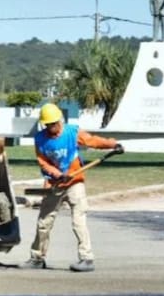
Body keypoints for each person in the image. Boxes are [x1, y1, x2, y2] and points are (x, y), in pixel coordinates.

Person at [20, 103, 123, 273]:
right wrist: (57, 175)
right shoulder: (40, 139)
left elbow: (93, 141)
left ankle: (86, 258)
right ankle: (37, 258)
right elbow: (43, 163)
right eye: (47, 124)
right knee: (44, 222)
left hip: (75, 182)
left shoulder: (72, 132)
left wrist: (112, 144)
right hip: (55, 184)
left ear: (59, 120)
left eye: (53, 123)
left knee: (79, 220)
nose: (51, 127)